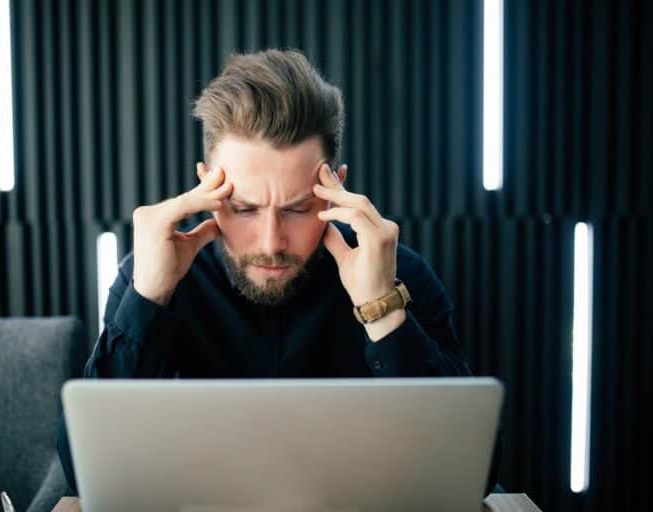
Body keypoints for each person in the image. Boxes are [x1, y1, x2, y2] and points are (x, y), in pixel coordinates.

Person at [57, 48, 501, 496]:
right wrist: (148, 299)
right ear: (206, 185)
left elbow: (476, 474)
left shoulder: (399, 276)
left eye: (297, 209)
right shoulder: (153, 275)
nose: (271, 241)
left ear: (335, 191)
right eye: (244, 208)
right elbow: (86, 477)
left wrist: (383, 311)